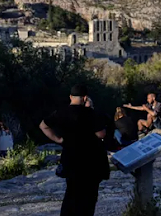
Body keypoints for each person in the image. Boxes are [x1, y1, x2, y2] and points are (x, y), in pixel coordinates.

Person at [39, 84, 110, 216]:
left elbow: (43, 126)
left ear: (71, 97)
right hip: (90, 161)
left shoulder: (61, 112)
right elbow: (101, 134)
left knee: (71, 193)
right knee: (88, 197)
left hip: (70, 158)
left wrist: (58, 139)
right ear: (85, 98)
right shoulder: (90, 113)